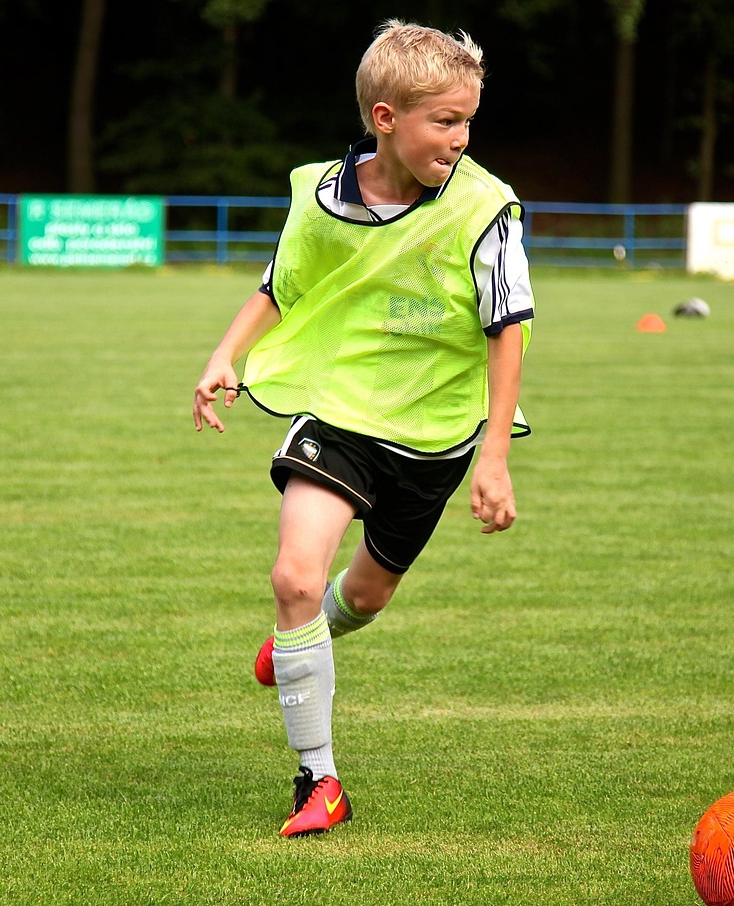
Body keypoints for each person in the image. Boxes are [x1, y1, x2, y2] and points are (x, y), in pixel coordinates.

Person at [192, 20, 534, 837]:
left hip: (439, 433)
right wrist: (225, 353)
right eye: (444, 122)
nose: (460, 139)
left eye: (468, 122)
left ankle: (299, 642)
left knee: (366, 595)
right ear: (386, 117)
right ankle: (320, 780)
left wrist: (493, 455)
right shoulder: (320, 197)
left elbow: (508, 328)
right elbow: (280, 286)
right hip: (340, 411)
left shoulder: (485, 209)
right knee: (293, 577)